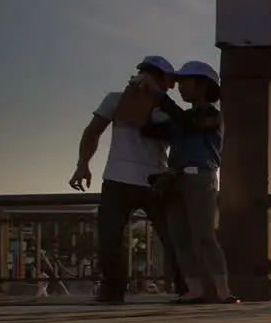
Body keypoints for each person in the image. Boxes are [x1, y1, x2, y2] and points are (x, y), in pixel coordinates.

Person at [70, 56, 186, 304]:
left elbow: (181, 136)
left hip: (155, 179)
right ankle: (113, 289)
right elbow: (93, 131)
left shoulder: (166, 108)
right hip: (118, 179)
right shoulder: (116, 99)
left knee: (172, 236)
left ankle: (186, 286)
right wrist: (82, 164)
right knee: (110, 237)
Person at [144, 60, 237, 305]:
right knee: (180, 237)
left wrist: (159, 95)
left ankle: (223, 291)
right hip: (175, 178)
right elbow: (148, 130)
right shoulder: (180, 118)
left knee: (204, 235)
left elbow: (190, 122)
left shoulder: (212, 115)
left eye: (185, 82)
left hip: (200, 176)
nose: (181, 87)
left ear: (202, 85)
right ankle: (193, 290)